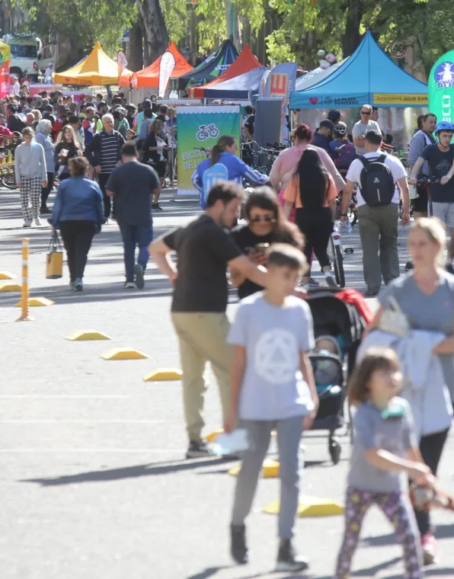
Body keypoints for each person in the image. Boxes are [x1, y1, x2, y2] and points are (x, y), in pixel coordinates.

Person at [374, 218, 454, 565]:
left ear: (439, 247)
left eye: (423, 244)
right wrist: (405, 346)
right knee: (416, 467)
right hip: (405, 391)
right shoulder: (398, 289)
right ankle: (423, 535)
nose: (416, 250)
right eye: (411, 244)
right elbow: (376, 331)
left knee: (428, 464)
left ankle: (419, 528)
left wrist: (419, 341)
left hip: (447, 390)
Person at [148, 181, 269, 458]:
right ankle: (235, 438)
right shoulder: (215, 234)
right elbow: (247, 269)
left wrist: (173, 275)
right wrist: (284, 290)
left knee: (193, 377)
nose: (235, 216)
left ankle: (195, 441)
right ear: (218, 205)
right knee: (232, 372)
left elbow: (155, 248)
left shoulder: (189, 229)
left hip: (181, 311)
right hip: (206, 313)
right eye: (234, 209)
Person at [226, 244, 318, 572]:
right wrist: (231, 409)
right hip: (255, 404)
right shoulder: (249, 310)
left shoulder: (299, 310)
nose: (292, 283)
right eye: (286, 275)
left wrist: (312, 396)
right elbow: (238, 363)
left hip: (291, 402)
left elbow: (301, 357)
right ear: (269, 273)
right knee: (250, 470)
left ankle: (286, 544)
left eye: (296, 277)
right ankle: (237, 526)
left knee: (292, 472)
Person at [334, 348, 429, 579]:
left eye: (395, 371)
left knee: (409, 539)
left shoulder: (402, 409)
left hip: (391, 490)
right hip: (360, 488)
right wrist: (410, 469)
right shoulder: (363, 414)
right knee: (350, 541)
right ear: (368, 382)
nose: (393, 377)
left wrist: (425, 476)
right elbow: (372, 453)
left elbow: (410, 447)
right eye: (384, 373)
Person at [341, 131, 410, 297]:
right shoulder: (393, 161)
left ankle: (372, 286)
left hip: (366, 209)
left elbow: (348, 191)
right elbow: (404, 188)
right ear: (381, 142)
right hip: (390, 208)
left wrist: (343, 213)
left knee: (369, 249)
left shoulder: (357, 163)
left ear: (366, 143)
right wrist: (405, 211)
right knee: (390, 245)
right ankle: (393, 283)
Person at [280, 148, 339, 288]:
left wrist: (283, 222)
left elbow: (288, 202)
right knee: (321, 247)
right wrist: (332, 219)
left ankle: (306, 281)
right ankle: (327, 271)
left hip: (303, 215)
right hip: (323, 215)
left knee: (306, 248)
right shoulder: (326, 176)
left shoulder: (296, 177)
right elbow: (332, 201)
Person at [231, 189, 305, 300]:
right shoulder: (238, 236)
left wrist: (278, 260)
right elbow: (235, 281)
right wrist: (248, 264)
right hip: (251, 301)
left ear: (275, 214)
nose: (262, 222)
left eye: (267, 217)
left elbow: (296, 275)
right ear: (248, 214)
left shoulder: (287, 234)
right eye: (256, 218)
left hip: (283, 300)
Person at [408, 120, 454, 270]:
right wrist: (413, 176)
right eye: (445, 136)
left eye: (450, 136)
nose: (448, 139)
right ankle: (436, 265)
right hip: (436, 198)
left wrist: (449, 176)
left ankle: (448, 264)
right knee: (437, 235)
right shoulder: (430, 149)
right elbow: (418, 163)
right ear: (438, 135)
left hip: (452, 197)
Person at [107, 143, 161, 289]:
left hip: (123, 214)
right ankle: (141, 265)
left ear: (122, 156)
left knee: (128, 246)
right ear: (137, 154)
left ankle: (129, 279)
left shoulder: (117, 172)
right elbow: (157, 189)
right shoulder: (148, 170)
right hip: (143, 212)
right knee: (146, 244)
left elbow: (109, 192)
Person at [51, 156, 105, 291]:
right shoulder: (93, 185)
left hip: (67, 222)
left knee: (71, 251)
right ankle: (78, 277)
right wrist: (99, 222)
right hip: (87, 221)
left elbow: (58, 205)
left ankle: (72, 278)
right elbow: (99, 206)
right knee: (82, 251)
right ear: (86, 169)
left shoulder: (64, 185)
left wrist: (54, 223)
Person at [269, 124, 344, 199]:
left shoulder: (284, 154)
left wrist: (277, 190)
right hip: (315, 200)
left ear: (295, 137)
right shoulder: (321, 152)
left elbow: (273, 178)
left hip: (286, 198)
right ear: (310, 138)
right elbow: (336, 178)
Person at [193, 135, 268, 208]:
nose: (237, 149)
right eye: (235, 146)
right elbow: (251, 175)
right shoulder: (233, 160)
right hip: (229, 205)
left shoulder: (205, 163)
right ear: (228, 147)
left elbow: (195, 180)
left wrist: (205, 190)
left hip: (209, 206)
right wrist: (266, 178)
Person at [85, 113, 123, 220]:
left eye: (111, 121)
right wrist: (95, 164)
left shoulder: (117, 135)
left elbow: (124, 148)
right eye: (108, 122)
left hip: (116, 170)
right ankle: (106, 213)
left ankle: (116, 212)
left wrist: (121, 159)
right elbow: (87, 150)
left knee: (117, 191)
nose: (110, 124)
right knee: (105, 192)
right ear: (103, 124)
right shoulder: (98, 136)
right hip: (103, 170)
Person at [14, 127, 48, 228]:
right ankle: (27, 219)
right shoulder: (19, 148)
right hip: (24, 175)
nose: (27, 139)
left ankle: (36, 215)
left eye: (29, 137)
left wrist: (44, 177)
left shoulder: (38, 147)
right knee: (24, 199)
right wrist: (18, 180)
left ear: (32, 136)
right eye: (25, 137)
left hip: (36, 175)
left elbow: (43, 162)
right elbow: (16, 164)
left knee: (35, 197)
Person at [406, 114, 436, 220]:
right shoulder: (419, 137)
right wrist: (416, 178)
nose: (433, 125)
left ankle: (425, 234)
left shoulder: (431, 137)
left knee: (427, 210)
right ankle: (419, 234)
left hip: (429, 180)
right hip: (420, 180)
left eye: (434, 122)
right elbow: (412, 159)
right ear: (423, 122)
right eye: (430, 122)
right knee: (420, 209)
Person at [35, 120, 56, 214]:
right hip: (44, 166)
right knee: (45, 186)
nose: (51, 127)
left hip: (51, 166)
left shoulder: (47, 136)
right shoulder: (39, 136)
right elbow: (38, 151)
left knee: (49, 185)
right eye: (49, 126)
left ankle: (42, 204)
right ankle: (41, 205)